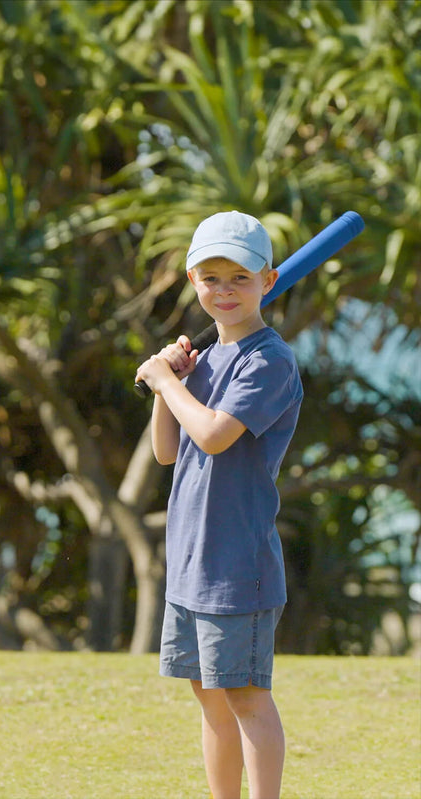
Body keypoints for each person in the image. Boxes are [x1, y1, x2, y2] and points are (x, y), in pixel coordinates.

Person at [134, 211, 303, 799]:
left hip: (238, 565)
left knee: (246, 697)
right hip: (192, 561)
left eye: (240, 277)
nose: (225, 291)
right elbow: (165, 451)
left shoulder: (269, 362)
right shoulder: (203, 363)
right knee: (208, 696)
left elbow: (212, 435)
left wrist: (164, 382)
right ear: (192, 279)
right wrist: (172, 381)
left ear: (268, 281)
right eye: (212, 278)